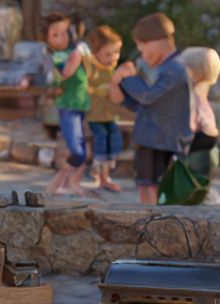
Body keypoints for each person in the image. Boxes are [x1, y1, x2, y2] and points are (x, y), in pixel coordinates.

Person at [108, 12, 191, 206]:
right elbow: (137, 103)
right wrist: (116, 82)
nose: (141, 53)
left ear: (155, 42)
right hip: (149, 137)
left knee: (158, 186)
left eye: (142, 46)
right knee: (144, 183)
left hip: (165, 140)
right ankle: (149, 219)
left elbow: (147, 96)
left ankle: (157, 221)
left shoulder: (175, 69)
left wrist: (127, 78)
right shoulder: (157, 68)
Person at [41, 13, 95, 199]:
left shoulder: (77, 50)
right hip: (68, 107)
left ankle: (72, 184)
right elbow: (65, 72)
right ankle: (55, 184)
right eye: (55, 35)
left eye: (65, 33)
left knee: (86, 151)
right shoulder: (57, 56)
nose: (62, 38)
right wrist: (77, 56)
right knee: (78, 153)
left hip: (82, 106)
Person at [82, 25, 124, 193]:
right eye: (108, 54)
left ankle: (106, 168)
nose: (114, 57)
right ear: (95, 53)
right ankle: (99, 169)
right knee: (101, 138)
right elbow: (88, 88)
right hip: (95, 115)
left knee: (114, 139)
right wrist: (104, 88)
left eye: (116, 52)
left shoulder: (111, 69)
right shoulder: (92, 69)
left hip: (109, 114)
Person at [180, 46, 220, 197]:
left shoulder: (192, 91)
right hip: (210, 136)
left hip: (199, 137)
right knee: (203, 173)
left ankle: (195, 198)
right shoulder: (203, 87)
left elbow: (191, 119)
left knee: (194, 176)